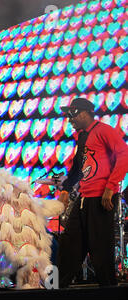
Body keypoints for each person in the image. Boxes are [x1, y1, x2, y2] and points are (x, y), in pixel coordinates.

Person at [57, 97, 128, 288]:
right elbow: (77, 167)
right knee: (68, 245)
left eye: (72, 115)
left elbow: (124, 154)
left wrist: (110, 187)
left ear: (83, 113)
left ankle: (109, 291)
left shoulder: (103, 130)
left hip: (101, 198)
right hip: (84, 198)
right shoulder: (83, 136)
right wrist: (65, 189)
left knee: (100, 250)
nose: (70, 120)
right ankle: (54, 288)